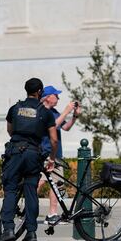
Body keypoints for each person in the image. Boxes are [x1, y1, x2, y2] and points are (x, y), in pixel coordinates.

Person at [0, 78, 57, 241]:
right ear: (40, 92)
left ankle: (8, 229)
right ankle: (31, 233)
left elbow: (10, 129)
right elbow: (53, 139)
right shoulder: (45, 112)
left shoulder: (15, 108)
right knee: (31, 191)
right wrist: (51, 158)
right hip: (33, 154)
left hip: (15, 152)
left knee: (10, 190)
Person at [37, 85, 79, 224]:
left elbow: (65, 127)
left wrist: (74, 116)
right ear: (48, 97)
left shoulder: (54, 111)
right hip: (46, 153)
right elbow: (53, 126)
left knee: (55, 183)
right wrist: (66, 111)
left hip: (56, 154)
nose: (58, 98)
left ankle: (52, 214)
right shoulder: (41, 111)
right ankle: (25, 208)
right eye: (56, 95)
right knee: (41, 182)